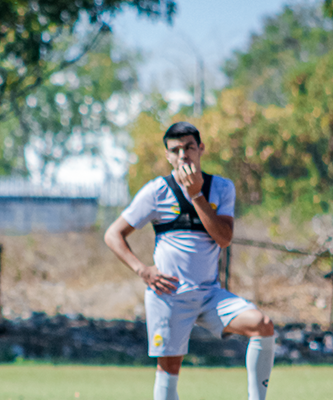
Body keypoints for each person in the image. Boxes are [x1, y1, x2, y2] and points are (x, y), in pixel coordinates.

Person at [105, 122, 276, 400]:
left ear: (201, 149)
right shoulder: (156, 191)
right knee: (169, 370)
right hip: (169, 295)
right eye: (175, 150)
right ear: (168, 156)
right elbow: (113, 235)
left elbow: (224, 238)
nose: (183, 155)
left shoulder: (221, 187)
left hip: (209, 294)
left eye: (189, 147)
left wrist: (196, 194)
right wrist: (143, 270)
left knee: (262, 324)